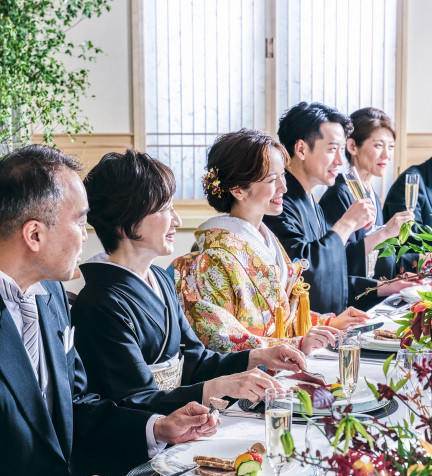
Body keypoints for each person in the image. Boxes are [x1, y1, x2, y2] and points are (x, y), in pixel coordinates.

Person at [0, 144, 220, 476]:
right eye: (79, 221)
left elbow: (78, 405)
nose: (87, 236)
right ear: (34, 235)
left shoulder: (51, 294)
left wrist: (158, 427)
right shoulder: (96, 298)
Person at [71, 149, 306, 417]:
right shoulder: (99, 302)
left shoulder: (158, 277)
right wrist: (215, 387)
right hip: (144, 439)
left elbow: (195, 361)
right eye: (163, 208)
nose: (177, 221)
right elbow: (134, 400)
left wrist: (259, 357)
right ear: (125, 226)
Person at [170, 129, 369, 355]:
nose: (283, 187)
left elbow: (282, 316)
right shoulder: (213, 260)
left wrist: (328, 323)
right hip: (247, 381)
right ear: (238, 190)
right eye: (272, 179)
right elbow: (220, 339)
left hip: (281, 367)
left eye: (282, 175)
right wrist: (296, 345)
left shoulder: (266, 240)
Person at [263, 101, 418, 314]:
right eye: (332, 149)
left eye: (340, 149)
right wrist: (347, 223)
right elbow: (304, 273)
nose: (339, 160)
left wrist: (381, 288)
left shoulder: (311, 203)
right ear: (301, 149)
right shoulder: (278, 202)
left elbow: (335, 272)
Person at [320, 107, 416, 279]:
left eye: (391, 147)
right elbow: (338, 258)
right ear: (352, 146)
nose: (387, 155)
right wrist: (385, 232)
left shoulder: (370, 193)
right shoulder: (338, 195)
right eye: (378, 146)